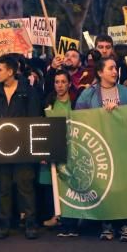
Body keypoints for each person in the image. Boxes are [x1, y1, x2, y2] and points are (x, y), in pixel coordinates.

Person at [76, 56, 127, 241]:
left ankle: (126, 225)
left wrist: (119, 111)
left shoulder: (126, 93)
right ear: (100, 72)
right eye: (110, 68)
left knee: (124, 186)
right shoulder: (90, 94)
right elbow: (79, 115)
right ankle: (107, 224)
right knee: (105, 186)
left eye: (116, 68)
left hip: (122, 146)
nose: (114, 71)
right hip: (100, 147)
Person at [0, 55, 43, 240]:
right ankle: (4, 224)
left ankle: (30, 223)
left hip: (23, 145)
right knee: (4, 186)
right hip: (2, 145)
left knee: (25, 185)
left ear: (11, 71)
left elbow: (35, 117)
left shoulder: (27, 91)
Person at [43, 69, 76, 235]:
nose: (60, 85)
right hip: (53, 147)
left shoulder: (75, 102)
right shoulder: (49, 102)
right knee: (53, 184)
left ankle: (72, 218)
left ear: (69, 84)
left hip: (72, 146)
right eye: (57, 82)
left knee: (71, 184)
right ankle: (58, 216)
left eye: (63, 82)